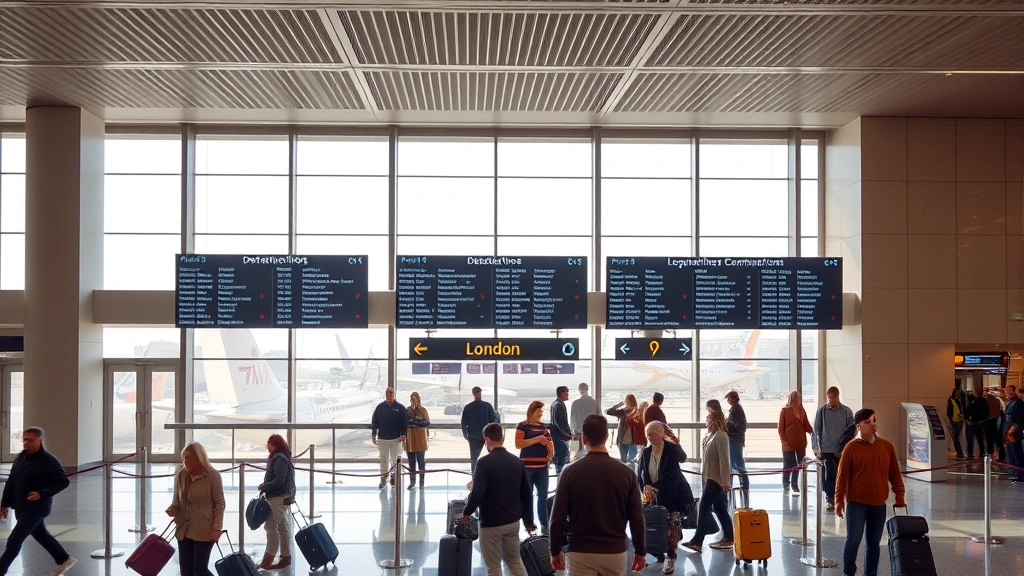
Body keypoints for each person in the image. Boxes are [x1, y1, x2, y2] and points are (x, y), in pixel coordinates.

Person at [548, 415, 647, 575]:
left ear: (584, 438)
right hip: (615, 551)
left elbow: (557, 518)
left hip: (579, 551)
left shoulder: (569, 472)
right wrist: (641, 551)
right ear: (607, 437)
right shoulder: (627, 473)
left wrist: (555, 550)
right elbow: (637, 517)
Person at [835, 409, 906, 576]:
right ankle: (849, 571)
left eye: (874, 420)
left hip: (878, 504)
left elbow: (894, 474)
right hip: (856, 503)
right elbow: (842, 475)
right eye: (867, 422)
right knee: (853, 540)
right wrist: (838, 499)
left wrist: (900, 496)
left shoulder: (886, 447)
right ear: (858, 426)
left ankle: (871, 573)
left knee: (874, 543)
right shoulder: (851, 448)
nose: (872, 425)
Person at [461, 423, 536, 576]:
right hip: (513, 521)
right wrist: (528, 522)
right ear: (502, 438)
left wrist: (467, 512)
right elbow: (527, 494)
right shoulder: (517, 462)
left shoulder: (483, 463)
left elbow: (478, 493)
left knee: (494, 567)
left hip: (491, 522)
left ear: (487, 440)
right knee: (515, 562)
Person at [0, 427, 76, 576]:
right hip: (21, 505)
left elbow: (62, 482)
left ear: (40, 441)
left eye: (31, 440)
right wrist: (5, 503)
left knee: (14, 540)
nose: (26, 443)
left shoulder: (49, 461)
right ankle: (64, 559)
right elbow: (11, 481)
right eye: (24, 440)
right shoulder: (21, 458)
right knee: (40, 534)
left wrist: (42, 493)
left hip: (37, 508)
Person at [637, 421, 693, 574]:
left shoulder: (671, 449)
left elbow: (673, 472)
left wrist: (656, 486)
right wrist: (646, 486)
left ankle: (671, 559)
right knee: (654, 524)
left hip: (671, 494)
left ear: (661, 434)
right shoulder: (646, 451)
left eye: (653, 433)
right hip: (651, 496)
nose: (650, 436)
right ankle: (657, 552)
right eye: (648, 434)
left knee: (671, 527)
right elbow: (641, 473)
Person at [681, 400, 734, 554]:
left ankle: (697, 541)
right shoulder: (712, 435)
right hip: (711, 478)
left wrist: (725, 482)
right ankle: (729, 537)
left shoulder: (721, 436)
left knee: (704, 507)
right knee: (719, 508)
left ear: (715, 421)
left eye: (709, 419)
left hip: (716, 480)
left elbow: (725, 460)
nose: (707, 422)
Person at [167, 442, 226, 576]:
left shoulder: (213, 476)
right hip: (184, 528)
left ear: (199, 458)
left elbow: (219, 504)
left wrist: (217, 527)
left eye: (189, 458)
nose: (185, 461)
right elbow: (176, 499)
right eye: (184, 458)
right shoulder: (181, 475)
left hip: (205, 528)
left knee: (199, 569)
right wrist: (173, 508)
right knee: (186, 571)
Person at [813, 386, 855, 510]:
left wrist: (848, 445)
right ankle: (829, 497)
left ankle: (840, 496)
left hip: (841, 449)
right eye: (829, 397)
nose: (831, 399)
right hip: (826, 448)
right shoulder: (822, 411)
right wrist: (816, 447)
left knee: (841, 473)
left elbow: (851, 430)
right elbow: (816, 430)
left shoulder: (847, 411)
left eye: (833, 396)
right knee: (830, 472)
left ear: (838, 396)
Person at [257, 434, 296, 570]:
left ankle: (271, 558)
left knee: (272, 527)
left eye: (269, 443)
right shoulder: (283, 457)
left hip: (277, 497)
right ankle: (280, 557)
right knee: (280, 526)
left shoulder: (278, 459)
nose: (267, 446)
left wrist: (264, 486)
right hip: (280, 496)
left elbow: (280, 480)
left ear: (275, 445)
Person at [516, 401, 554, 533]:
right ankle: (529, 524)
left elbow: (550, 442)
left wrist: (550, 454)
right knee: (528, 496)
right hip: (527, 468)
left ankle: (544, 522)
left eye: (541, 411)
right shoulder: (522, 426)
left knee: (542, 496)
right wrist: (537, 440)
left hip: (542, 467)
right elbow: (518, 444)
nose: (540, 413)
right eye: (538, 410)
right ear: (532, 411)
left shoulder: (544, 427)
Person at [371, 387, 408, 489]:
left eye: (391, 395)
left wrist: (404, 434)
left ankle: (394, 478)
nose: (389, 396)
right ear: (385, 395)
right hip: (382, 439)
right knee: (383, 460)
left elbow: (404, 423)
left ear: (394, 395)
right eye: (387, 395)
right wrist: (374, 435)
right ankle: (384, 478)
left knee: (395, 460)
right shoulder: (380, 407)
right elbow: (374, 422)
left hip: (396, 439)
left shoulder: (400, 408)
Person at [778, 390, 813, 494]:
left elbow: (806, 424)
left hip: (800, 442)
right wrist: (783, 440)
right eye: (798, 398)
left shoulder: (802, 410)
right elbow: (781, 427)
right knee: (788, 463)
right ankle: (785, 483)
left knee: (798, 464)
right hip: (788, 443)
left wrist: (812, 432)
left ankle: (794, 484)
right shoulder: (785, 410)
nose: (799, 400)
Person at [462, 386, 499, 474]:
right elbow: (493, 421)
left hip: (473, 436)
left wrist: (465, 435)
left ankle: (474, 477)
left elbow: (464, 423)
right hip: (486, 436)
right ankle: (494, 474)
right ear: (480, 393)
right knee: (493, 456)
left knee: (474, 459)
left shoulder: (468, 407)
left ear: (473, 394)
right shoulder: (487, 406)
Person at [724, 391, 750, 495]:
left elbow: (741, 427)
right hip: (735, 440)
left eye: (729, 399)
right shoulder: (735, 408)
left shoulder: (736, 409)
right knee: (736, 462)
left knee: (737, 463)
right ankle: (742, 483)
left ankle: (744, 483)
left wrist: (728, 422)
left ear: (733, 399)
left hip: (735, 440)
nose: (728, 401)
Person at [405, 391, 430, 489]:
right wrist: (418, 421)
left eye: (415, 399)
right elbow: (407, 423)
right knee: (411, 461)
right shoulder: (407, 410)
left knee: (421, 461)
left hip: (421, 439)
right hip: (410, 438)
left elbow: (427, 423)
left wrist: (415, 419)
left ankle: (422, 481)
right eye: (412, 399)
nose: (413, 401)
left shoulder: (423, 410)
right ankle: (412, 481)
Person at [606, 394, 641, 464]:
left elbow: (609, 411)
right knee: (632, 461)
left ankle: (626, 473)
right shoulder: (638, 411)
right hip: (633, 440)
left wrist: (618, 405)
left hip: (623, 439)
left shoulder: (623, 412)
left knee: (624, 461)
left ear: (626, 401)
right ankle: (632, 473)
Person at [570, 383, 601, 458]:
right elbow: (598, 416)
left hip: (579, 431)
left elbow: (572, 418)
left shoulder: (575, 403)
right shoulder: (593, 402)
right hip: (592, 430)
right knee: (592, 450)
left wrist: (573, 431)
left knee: (580, 452)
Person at [549, 386, 573, 474]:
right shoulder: (559, 405)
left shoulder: (555, 404)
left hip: (556, 436)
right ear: (562, 393)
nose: (568, 395)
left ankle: (559, 477)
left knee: (559, 457)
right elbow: (560, 424)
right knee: (562, 459)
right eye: (566, 393)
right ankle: (560, 479)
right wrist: (568, 435)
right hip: (560, 437)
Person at [1006, 386, 1024, 482]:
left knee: (1017, 452)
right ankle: (1013, 473)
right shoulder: (1010, 402)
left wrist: (1016, 426)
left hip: (1015, 430)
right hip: (1009, 429)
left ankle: (1020, 474)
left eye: (1008, 391)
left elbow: (1020, 418)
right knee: (1011, 452)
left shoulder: (1019, 403)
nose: (1006, 393)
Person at [965, 389, 989, 458]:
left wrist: (967, 418)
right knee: (980, 438)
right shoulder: (984, 401)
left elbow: (969, 410)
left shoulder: (972, 401)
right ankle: (982, 452)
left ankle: (970, 453)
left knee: (970, 438)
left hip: (973, 421)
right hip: (980, 422)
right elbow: (987, 412)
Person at [946, 387, 966, 459]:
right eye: (956, 392)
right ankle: (959, 452)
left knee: (956, 437)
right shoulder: (951, 400)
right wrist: (951, 420)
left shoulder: (959, 400)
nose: (957, 394)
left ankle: (959, 452)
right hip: (954, 421)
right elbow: (949, 412)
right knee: (956, 437)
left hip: (959, 421)